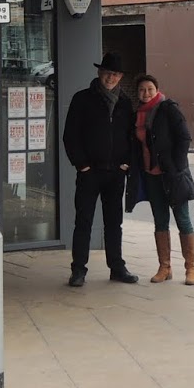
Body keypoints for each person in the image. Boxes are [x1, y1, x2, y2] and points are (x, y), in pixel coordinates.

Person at [61, 51, 140, 287]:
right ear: (99, 73)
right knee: (83, 221)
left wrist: (126, 162)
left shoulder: (125, 102)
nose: (111, 78)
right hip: (90, 173)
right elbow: (70, 136)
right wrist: (82, 165)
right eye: (107, 73)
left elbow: (131, 137)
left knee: (114, 223)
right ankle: (78, 270)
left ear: (120, 77)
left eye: (115, 74)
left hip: (115, 173)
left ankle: (117, 267)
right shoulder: (82, 99)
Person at [133, 74, 194, 285]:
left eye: (150, 89)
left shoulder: (168, 108)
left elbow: (184, 138)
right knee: (160, 221)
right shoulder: (138, 114)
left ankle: (191, 269)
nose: (146, 93)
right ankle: (165, 267)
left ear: (157, 89)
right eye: (142, 89)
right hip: (150, 175)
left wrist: (177, 167)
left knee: (182, 219)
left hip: (172, 175)